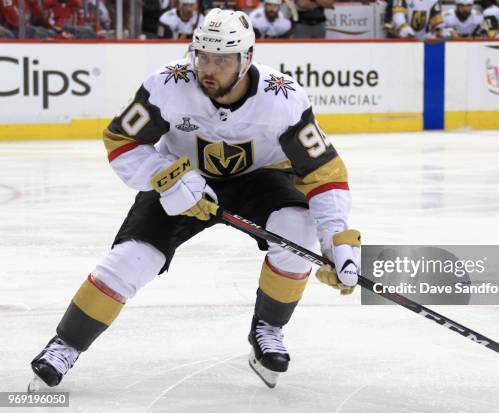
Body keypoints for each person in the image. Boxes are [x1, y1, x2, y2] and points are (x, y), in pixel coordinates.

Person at [28, 8, 361, 391]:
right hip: (181, 181)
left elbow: (324, 173)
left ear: (247, 58)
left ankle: (268, 328)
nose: (208, 68)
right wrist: (165, 177)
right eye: (202, 55)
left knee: (298, 233)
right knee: (131, 260)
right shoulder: (167, 85)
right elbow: (121, 142)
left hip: (261, 181)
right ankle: (65, 344)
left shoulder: (282, 99)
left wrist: (334, 236)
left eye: (222, 60)